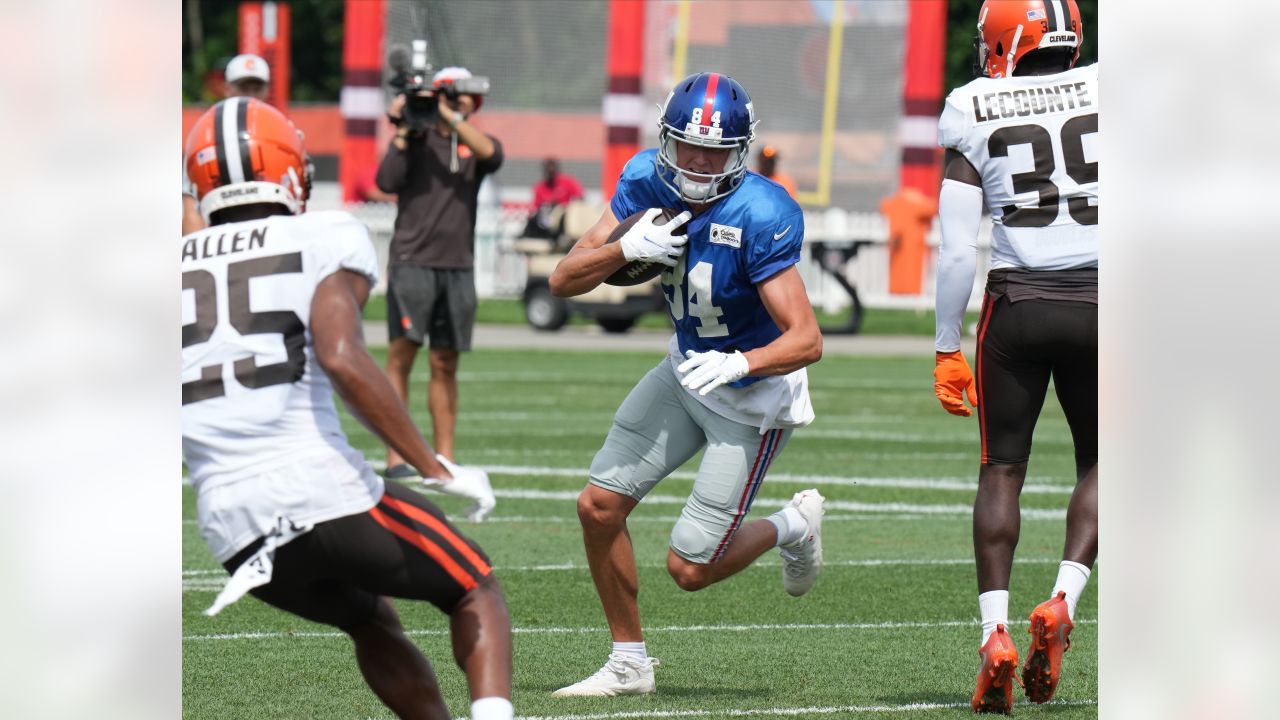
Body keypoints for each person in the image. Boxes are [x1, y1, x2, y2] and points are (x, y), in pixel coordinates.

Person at [181, 97, 512, 720]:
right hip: (316, 489)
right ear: (288, 168)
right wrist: (436, 467)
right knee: (475, 587)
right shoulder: (321, 232)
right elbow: (340, 354)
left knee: (369, 618)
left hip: (230, 523)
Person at [547, 72, 825, 697]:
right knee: (598, 506)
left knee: (689, 569)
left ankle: (793, 526)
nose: (698, 163)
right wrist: (625, 247)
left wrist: (742, 363)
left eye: (715, 151)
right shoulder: (645, 179)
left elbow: (806, 338)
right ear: (666, 140)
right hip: (683, 372)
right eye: (687, 146)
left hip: (749, 397)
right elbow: (563, 281)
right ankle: (628, 663)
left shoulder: (763, 210)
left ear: (740, 150)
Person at [932, 0, 1097, 713]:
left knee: (1001, 468)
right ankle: (1063, 597)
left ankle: (994, 635)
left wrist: (945, 346)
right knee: (1105, 461)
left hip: (1018, 305)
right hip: (1106, 300)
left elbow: (954, 249)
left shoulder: (970, 105)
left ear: (1002, 41)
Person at [376, 66, 503, 473]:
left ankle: (444, 455)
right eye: (449, 95)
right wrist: (403, 127)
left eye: (463, 95)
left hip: (457, 266)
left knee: (445, 362)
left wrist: (448, 117)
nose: (456, 101)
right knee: (402, 356)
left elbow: (492, 155)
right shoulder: (416, 136)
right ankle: (396, 453)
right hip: (413, 261)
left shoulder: (473, 142)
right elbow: (386, 179)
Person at [182, 54, 273, 237]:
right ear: (227, 88)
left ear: (267, 90)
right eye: (244, 88)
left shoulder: (282, 132)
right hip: (220, 240)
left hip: (271, 238)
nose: (251, 95)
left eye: (257, 88)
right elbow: (191, 203)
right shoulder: (206, 133)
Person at [524, 157, 585, 238]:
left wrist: (566, 207)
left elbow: (580, 198)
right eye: (548, 171)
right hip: (546, 220)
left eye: (552, 171)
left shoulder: (568, 182)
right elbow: (535, 208)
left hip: (564, 219)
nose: (550, 173)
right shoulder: (539, 187)